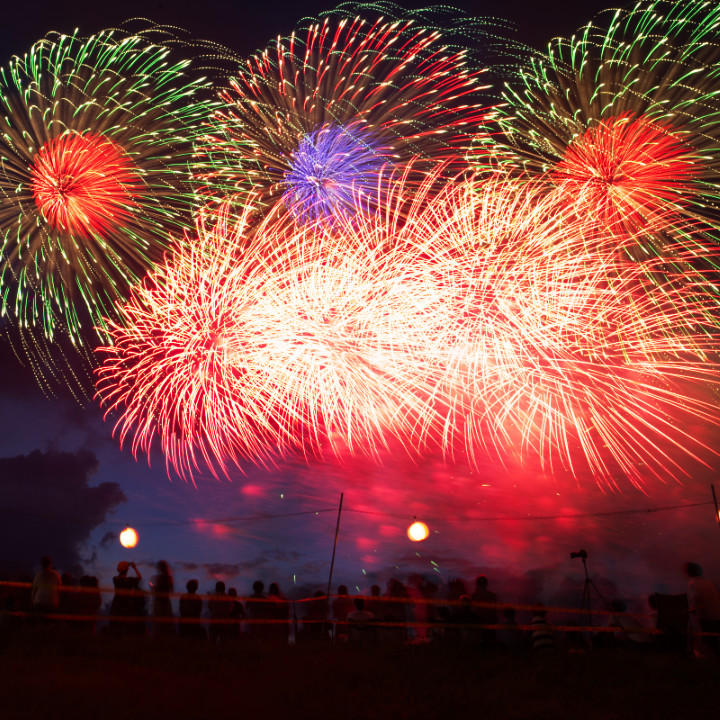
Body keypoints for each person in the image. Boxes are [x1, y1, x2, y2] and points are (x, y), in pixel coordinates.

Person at [685, 562, 720, 655]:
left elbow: (696, 598)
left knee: (709, 639)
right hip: (717, 614)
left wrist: (692, 609)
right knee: (714, 637)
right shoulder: (709, 582)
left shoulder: (693, 583)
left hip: (706, 615)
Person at [110, 560, 145, 636]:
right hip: (127, 603)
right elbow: (139, 577)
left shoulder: (116, 579)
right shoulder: (129, 580)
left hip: (117, 603)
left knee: (117, 622)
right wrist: (134, 568)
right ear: (127, 570)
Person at [472, 575, 499, 647]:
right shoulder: (493, 596)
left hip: (478, 624)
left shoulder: (474, 596)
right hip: (490, 623)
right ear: (486, 584)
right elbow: (495, 611)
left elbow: (473, 610)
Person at [150, 560, 175, 637]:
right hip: (166, 602)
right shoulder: (169, 578)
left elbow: (154, 591)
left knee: (158, 623)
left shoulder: (157, 578)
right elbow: (171, 591)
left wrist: (152, 586)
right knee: (166, 623)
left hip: (159, 603)